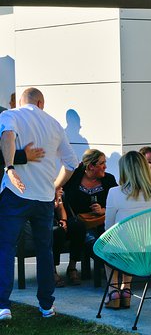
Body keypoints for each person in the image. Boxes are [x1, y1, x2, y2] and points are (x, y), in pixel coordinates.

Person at [0, 87, 78, 320]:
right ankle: (46, 306)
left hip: (15, 193)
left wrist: (10, 168)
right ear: (41, 102)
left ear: (21, 101)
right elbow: (72, 163)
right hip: (44, 197)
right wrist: (55, 185)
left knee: (5, 248)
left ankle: (3, 306)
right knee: (45, 251)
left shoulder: (10, 115)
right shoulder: (54, 124)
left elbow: (7, 137)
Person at [104, 151, 151, 309]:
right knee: (132, 243)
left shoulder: (115, 192)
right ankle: (127, 289)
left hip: (124, 254)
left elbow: (108, 228)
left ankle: (114, 291)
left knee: (108, 246)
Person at [62, 149, 117, 285]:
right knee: (85, 234)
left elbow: (116, 202)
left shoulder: (108, 179)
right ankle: (72, 267)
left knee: (104, 237)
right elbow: (60, 194)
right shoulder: (74, 178)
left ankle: (110, 268)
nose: (105, 166)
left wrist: (102, 210)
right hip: (78, 222)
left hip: (102, 221)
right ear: (91, 166)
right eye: (102, 163)